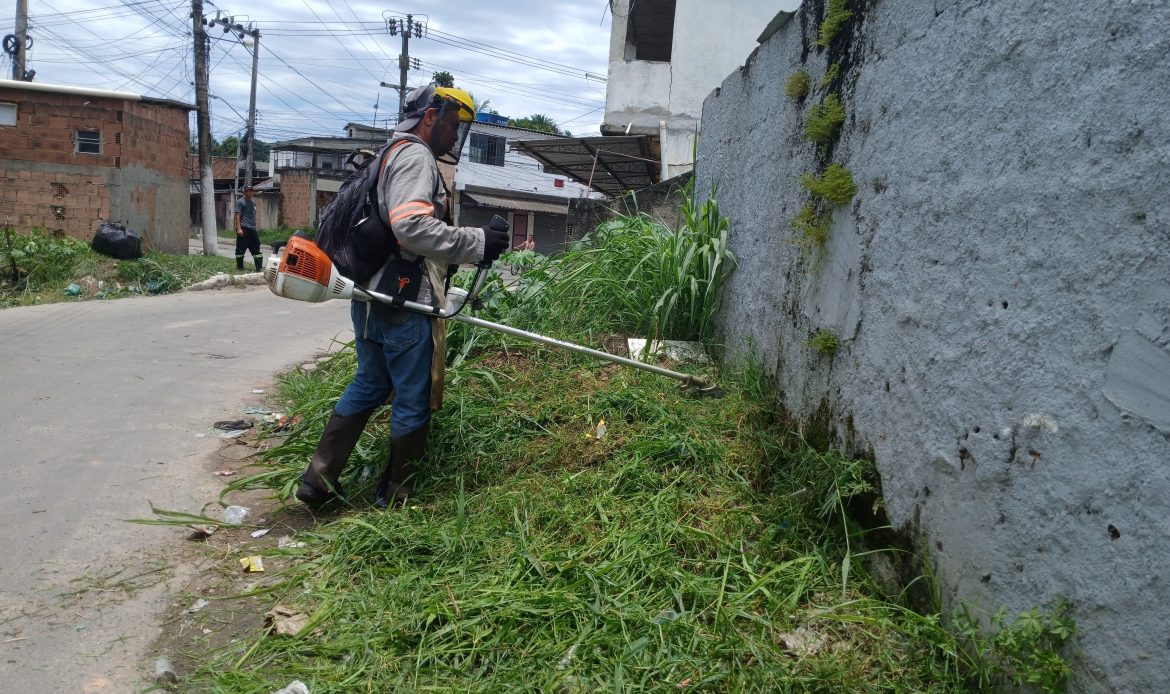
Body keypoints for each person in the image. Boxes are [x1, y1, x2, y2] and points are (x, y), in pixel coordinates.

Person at [295, 83, 510, 511]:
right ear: (430, 116)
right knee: (412, 398)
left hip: (370, 296)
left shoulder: (389, 153)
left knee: (370, 383)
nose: (456, 136)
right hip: (403, 301)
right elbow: (410, 227)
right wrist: (478, 241)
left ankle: (318, 480)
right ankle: (396, 499)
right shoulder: (415, 156)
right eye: (454, 125)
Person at [234, 185, 263, 271]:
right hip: (243, 228)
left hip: (252, 229)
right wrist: (239, 228)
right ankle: (240, 267)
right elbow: (237, 216)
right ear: (244, 192)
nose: (250, 192)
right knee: (241, 248)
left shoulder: (253, 202)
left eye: (251, 191)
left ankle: (259, 268)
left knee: (256, 246)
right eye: (248, 191)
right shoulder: (240, 202)